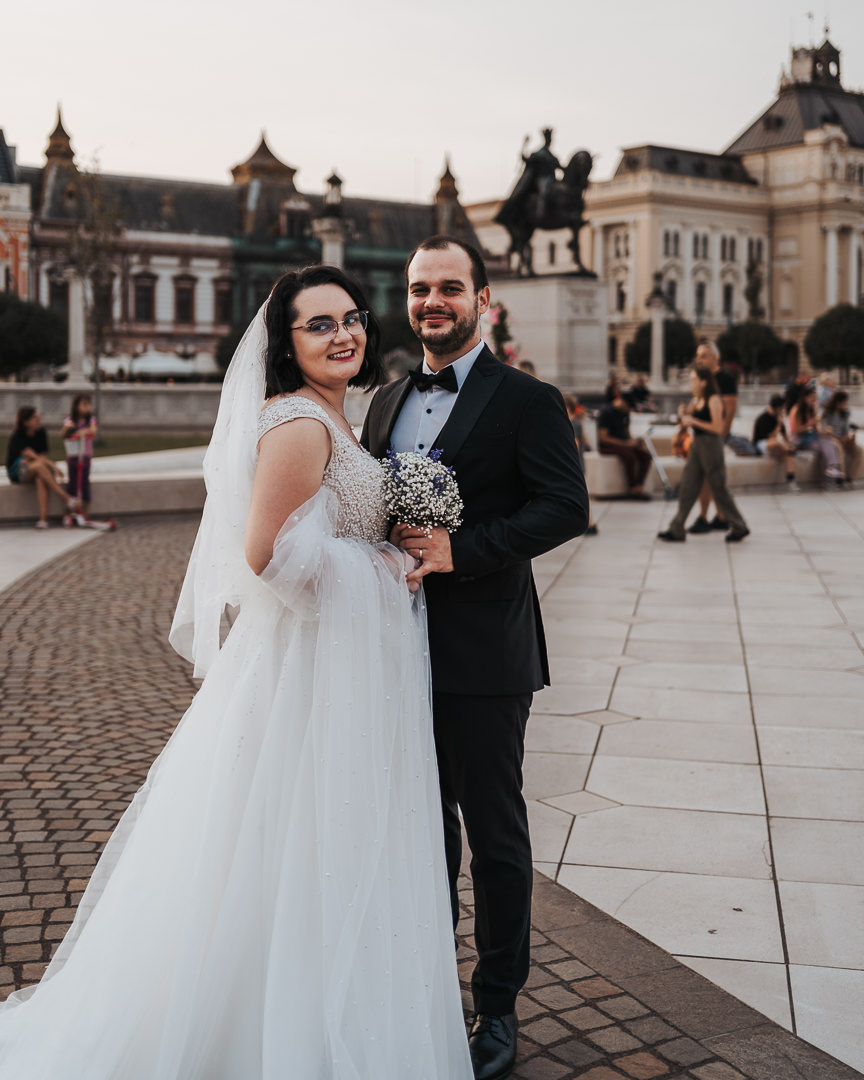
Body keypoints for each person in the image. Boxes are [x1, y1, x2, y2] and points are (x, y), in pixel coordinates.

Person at [0, 266, 473, 1079]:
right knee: (293, 840)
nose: (343, 334)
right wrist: (385, 565)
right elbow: (269, 557)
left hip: (337, 668)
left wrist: (388, 539)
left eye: (352, 318)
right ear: (286, 344)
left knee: (321, 842)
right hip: (309, 673)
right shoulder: (298, 422)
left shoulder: (337, 414)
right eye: (319, 324)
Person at [362, 236, 589, 1080]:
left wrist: (465, 550)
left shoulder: (529, 399)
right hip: (392, 648)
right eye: (420, 288)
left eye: (450, 288)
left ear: (482, 300)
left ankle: (497, 1005)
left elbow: (565, 506)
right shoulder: (385, 401)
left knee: (493, 836)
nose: (433, 302)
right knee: (419, 831)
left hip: (486, 651)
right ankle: (424, 987)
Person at [657, 363, 750, 543]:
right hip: (697, 444)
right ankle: (677, 528)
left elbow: (717, 427)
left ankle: (739, 526)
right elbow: (688, 420)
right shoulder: (696, 400)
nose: (691, 383)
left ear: (704, 382)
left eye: (694, 380)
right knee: (688, 485)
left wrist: (693, 421)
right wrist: (684, 415)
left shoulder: (714, 399)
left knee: (719, 488)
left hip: (711, 445)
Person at [687, 340, 738, 534]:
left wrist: (721, 435)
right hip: (702, 437)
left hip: (714, 438)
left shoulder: (725, 379)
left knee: (710, 480)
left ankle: (705, 517)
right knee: (711, 479)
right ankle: (721, 517)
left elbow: (730, 410)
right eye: (698, 356)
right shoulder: (702, 379)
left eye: (703, 356)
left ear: (715, 358)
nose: (699, 360)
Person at [5, 406, 79, 528]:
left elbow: (43, 456)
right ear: (25, 421)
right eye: (35, 417)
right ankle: (66, 498)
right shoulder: (17, 436)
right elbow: (32, 455)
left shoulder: (41, 433)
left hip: (36, 469)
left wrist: (44, 463)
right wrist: (53, 466)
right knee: (39, 466)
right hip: (18, 472)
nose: (39, 420)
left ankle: (43, 520)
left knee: (40, 478)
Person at [596, 388, 653, 499]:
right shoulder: (606, 412)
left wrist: (634, 443)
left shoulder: (625, 413)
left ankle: (638, 486)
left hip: (623, 444)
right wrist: (625, 444)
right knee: (630, 457)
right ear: (622, 402)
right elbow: (603, 438)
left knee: (645, 455)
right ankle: (632, 487)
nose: (628, 410)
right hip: (608, 446)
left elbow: (627, 433)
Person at [787, 383, 844, 486]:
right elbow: (796, 431)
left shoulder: (812, 409)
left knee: (827, 442)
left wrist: (825, 432)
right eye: (812, 399)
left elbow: (816, 430)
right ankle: (829, 475)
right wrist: (811, 423)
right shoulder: (796, 410)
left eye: (815, 399)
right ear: (805, 398)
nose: (814, 401)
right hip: (800, 440)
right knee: (823, 447)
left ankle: (830, 471)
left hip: (811, 437)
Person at [564, 393, 598, 534]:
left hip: (574, 466)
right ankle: (588, 523)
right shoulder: (575, 423)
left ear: (567, 408)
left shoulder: (572, 424)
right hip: (577, 465)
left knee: (580, 495)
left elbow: (575, 445)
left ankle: (589, 524)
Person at [61, 393, 98, 521]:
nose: (87, 407)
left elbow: (92, 430)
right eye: (84, 404)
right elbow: (64, 433)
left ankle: (85, 511)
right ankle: (72, 511)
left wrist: (82, 432)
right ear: (76, 406)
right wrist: (71, 431)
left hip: (85, 455)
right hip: (73, 455)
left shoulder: (90, 421)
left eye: (88, 405)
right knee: (73, 483)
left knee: (84, 483)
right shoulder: (70, 421)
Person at [752, 394, 799, 490]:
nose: (783, 410)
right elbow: (770, 437)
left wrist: (789, 443)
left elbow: (785, 436)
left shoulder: (778, 418)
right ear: (778, 407)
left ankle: (791, 480)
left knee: (787, 455)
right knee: (777, 443)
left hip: (775, 445)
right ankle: (789, 450)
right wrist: (778, 425)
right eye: (782, 408)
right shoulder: (763, 418)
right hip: (761, 444)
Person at [819, 390, 861, 484]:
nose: (846, 405)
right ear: (838, 403)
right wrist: (838, 438)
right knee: (838, 448)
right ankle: (841, 477)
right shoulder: (827, 412)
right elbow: (824, 429)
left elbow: (846, 429)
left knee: (859, 451)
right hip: (831, 438)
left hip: (843, 438)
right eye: (844, 403)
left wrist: (849, 437)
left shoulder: (845, 413)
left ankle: (850, 477)